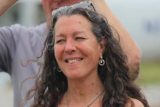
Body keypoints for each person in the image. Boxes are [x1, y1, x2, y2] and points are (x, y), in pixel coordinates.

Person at [0, 0, 141, 107]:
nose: (69, 48)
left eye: (79, 38)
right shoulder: (17, 39)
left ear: (101, 45)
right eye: (60, 40)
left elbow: (131, 62)